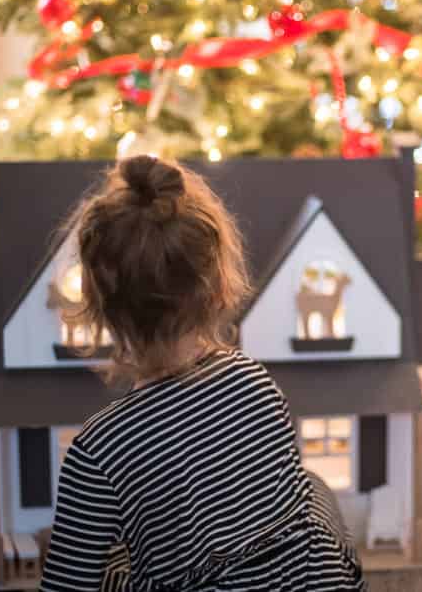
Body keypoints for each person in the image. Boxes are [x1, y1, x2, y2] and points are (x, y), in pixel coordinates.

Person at [40, 155, 366, 591]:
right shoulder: (256, 384)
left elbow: (66, 585)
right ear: (216, 287)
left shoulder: (99, 451)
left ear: (102, 308)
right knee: (310, 488)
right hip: (298, 582)